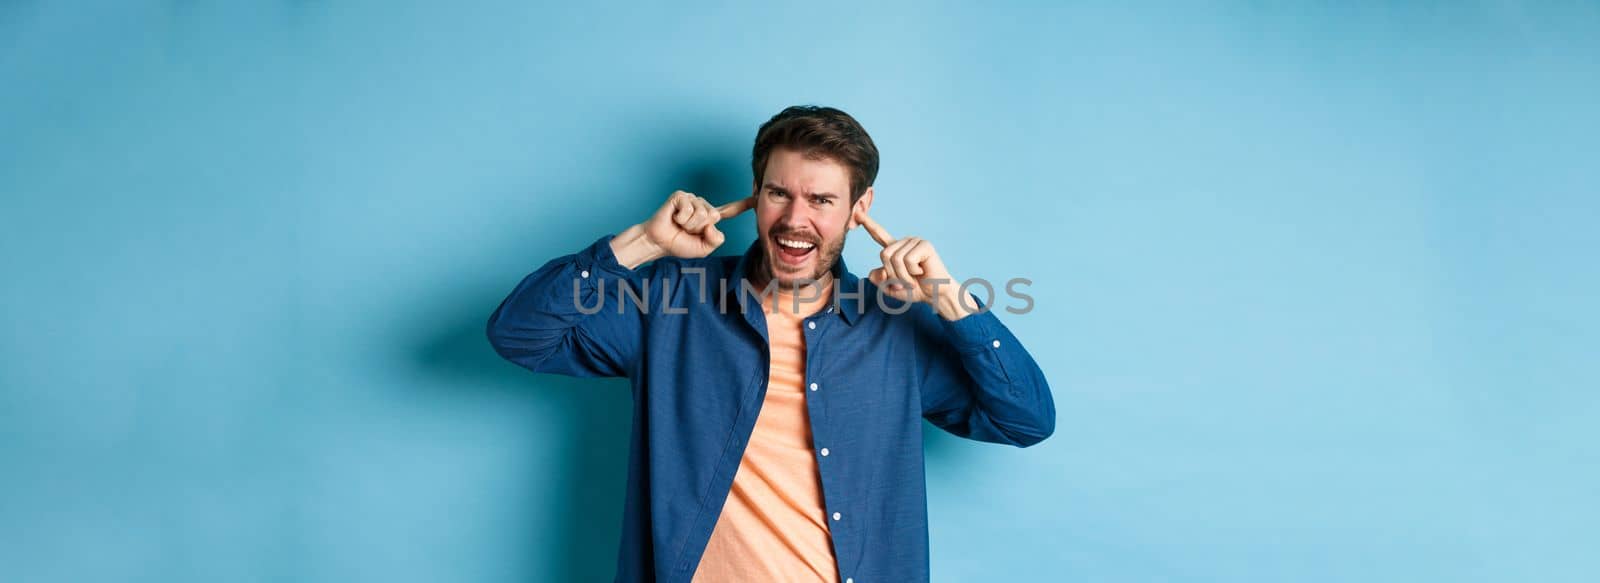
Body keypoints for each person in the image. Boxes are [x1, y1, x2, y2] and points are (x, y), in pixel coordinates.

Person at [487, 105, 1055, 583]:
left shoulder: (894, 326)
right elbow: (520, 334)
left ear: (861, 209)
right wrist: (643, 244)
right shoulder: (669, 303)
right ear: (755, 194)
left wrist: (950, 298)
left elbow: (1026, 420)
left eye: (823, 201)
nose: (795, 220)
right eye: (778, 193)